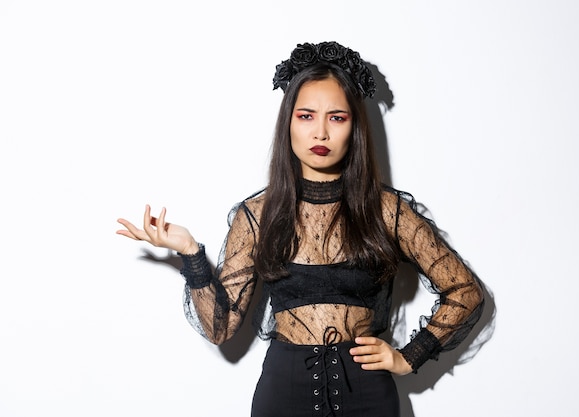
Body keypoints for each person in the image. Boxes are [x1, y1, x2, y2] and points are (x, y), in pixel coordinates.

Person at [117, 41, 485, 417]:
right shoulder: (258, 214)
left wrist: (409, 357)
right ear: (288, 123)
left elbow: (466, 291)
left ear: (354, 127)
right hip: (283, 394)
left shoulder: (386, 211)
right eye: (306, 116)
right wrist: (191, 253)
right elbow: (221, 327)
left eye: (337, 118)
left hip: (368, 398)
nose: (320, 133)